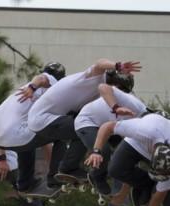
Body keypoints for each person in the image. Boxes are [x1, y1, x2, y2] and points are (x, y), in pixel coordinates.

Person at [24, 58, 142, 188]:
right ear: (115, 84)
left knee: (86, 128)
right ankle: (68, 168)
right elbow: (99, 64)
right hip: (43, 118)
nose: (119, 94)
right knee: (84, 128)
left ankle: (60, 173)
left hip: (52, 118)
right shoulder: (95, 78)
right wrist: (117, 65)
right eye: (120, 90)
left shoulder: (100, 96)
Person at [0, 63, 65, 199]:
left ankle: (25, 185)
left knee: (26, 142)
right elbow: (42, 78)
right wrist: (32, 87)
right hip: (16, 133)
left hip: (2, 138)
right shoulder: (46, 88)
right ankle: (57, 175)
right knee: (60, 132)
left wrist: (1, 158)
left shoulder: (14, 96)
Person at [74, 72, 146, 196]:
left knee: (127, 151)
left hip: (109, 127)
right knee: (104, 150)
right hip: (87, 123)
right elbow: (103, 87)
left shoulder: (134, 105)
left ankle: (127, 180)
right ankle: (97, 177)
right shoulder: (131, 107)